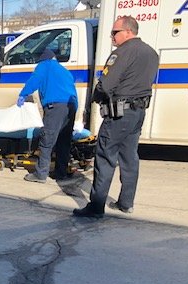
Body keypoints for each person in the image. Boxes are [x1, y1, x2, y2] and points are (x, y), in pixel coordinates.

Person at [73, 16, 159, 218]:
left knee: (105, 157)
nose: (112, 36)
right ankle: (126, 203)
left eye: (115, 32)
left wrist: (96, 95)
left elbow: (106, 84)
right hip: (138, 113)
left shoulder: (121, 53)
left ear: (128, 32)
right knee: (129, 156)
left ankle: (96, 207)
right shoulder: (151, 53)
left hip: (119, 114)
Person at [17, 49, 78, 183]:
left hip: (55, 106)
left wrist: (23, 94)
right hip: (71, 106)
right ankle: (61, 173)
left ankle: (41, 174)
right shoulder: (64, 70)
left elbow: (35, 80)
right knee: (64, 141)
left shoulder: (44, 65)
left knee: (47, 141)